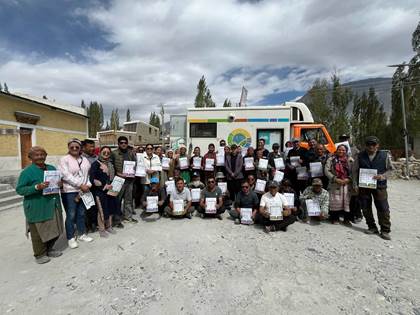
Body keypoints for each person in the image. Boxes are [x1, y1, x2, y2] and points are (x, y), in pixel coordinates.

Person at [16, 146, 64, 264]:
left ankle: (50, 249)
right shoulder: (27, 172)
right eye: (36, 155)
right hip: (37, 206)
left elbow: (58, 184)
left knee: (56, 228)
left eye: (42, 154)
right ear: (30, 157)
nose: (40, 157)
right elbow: (20, 190)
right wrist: (37, 187)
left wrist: (60, 183)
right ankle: (40, 254)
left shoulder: (51, 168)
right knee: (39, 231)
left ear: (46, 156)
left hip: (53, 204)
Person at [352, 136, 393, 240]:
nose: (371, 146)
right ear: (365, 146)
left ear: (377, 145)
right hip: (364, 186)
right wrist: (355, 184)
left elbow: (391, 170)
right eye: (368, 144)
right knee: (365, 207)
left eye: (373, 144)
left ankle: (385, 230)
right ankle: (372, 226)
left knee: (383, 207)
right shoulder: (360, 156)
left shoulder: (384, 155)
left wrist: (382, 176)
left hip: (380, 186)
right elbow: (354, 170)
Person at [58, 139, 93, 248]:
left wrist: (88, 185)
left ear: (80, 148)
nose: (74, 148)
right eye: (72, 147)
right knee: (71, 215)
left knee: (81, 213)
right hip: (69, 192)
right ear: (68, 147)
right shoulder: (64, 160)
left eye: (77, 147)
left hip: (83, 190)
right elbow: (65, 175)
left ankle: (82, 233)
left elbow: (88, 175)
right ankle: (71, 237)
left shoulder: (85, 160)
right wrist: (80, 184)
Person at [89, 146, 119, 237]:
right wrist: (103, 186)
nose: (106, 154)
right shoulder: (95, 164)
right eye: (104, 152)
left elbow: (113, 177)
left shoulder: (110, 164)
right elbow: (92, 179)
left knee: (110, 208)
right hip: (100, 191)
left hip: (111, 190)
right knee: (101, 210)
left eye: (108, 152)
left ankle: (109, 226)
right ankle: (102, 229)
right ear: (100, 153)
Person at [111, 136, 137, 225]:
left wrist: (133, 173)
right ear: (118, 144)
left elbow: (135, 165)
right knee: (116, 200)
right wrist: (117, 174)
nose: (123, 144)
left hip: (129, 181)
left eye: (125, 143)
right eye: (121, 143)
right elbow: (110, 166)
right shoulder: (114, 153)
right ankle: (116, 219)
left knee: (128, 200)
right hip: (118, 180)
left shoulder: (131, 153)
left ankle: (128, 217)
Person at [325, 144, 352, 226]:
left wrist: (349, 179)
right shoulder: (331, 159)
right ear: (336, 150)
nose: (341, 151)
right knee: (335, 201)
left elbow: (354, 171)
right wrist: (335, 179)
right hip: (335, 183)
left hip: (347, 184)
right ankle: (334, 218)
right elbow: (326, 170)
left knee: (347, 201)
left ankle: (346, 219)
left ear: (346, 151)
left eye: (343, 150)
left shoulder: (350, 160)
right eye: (339, 149)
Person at [82, 139, 98, 233]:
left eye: (93, 146)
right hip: (85, 186)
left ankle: (94, 223)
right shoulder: (81, 158)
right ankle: (86, 226)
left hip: (96, 186)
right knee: (86, 206)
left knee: (94, 206)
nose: (93, 148)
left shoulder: (96, 157)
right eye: (90, 146)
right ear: (84, 147)